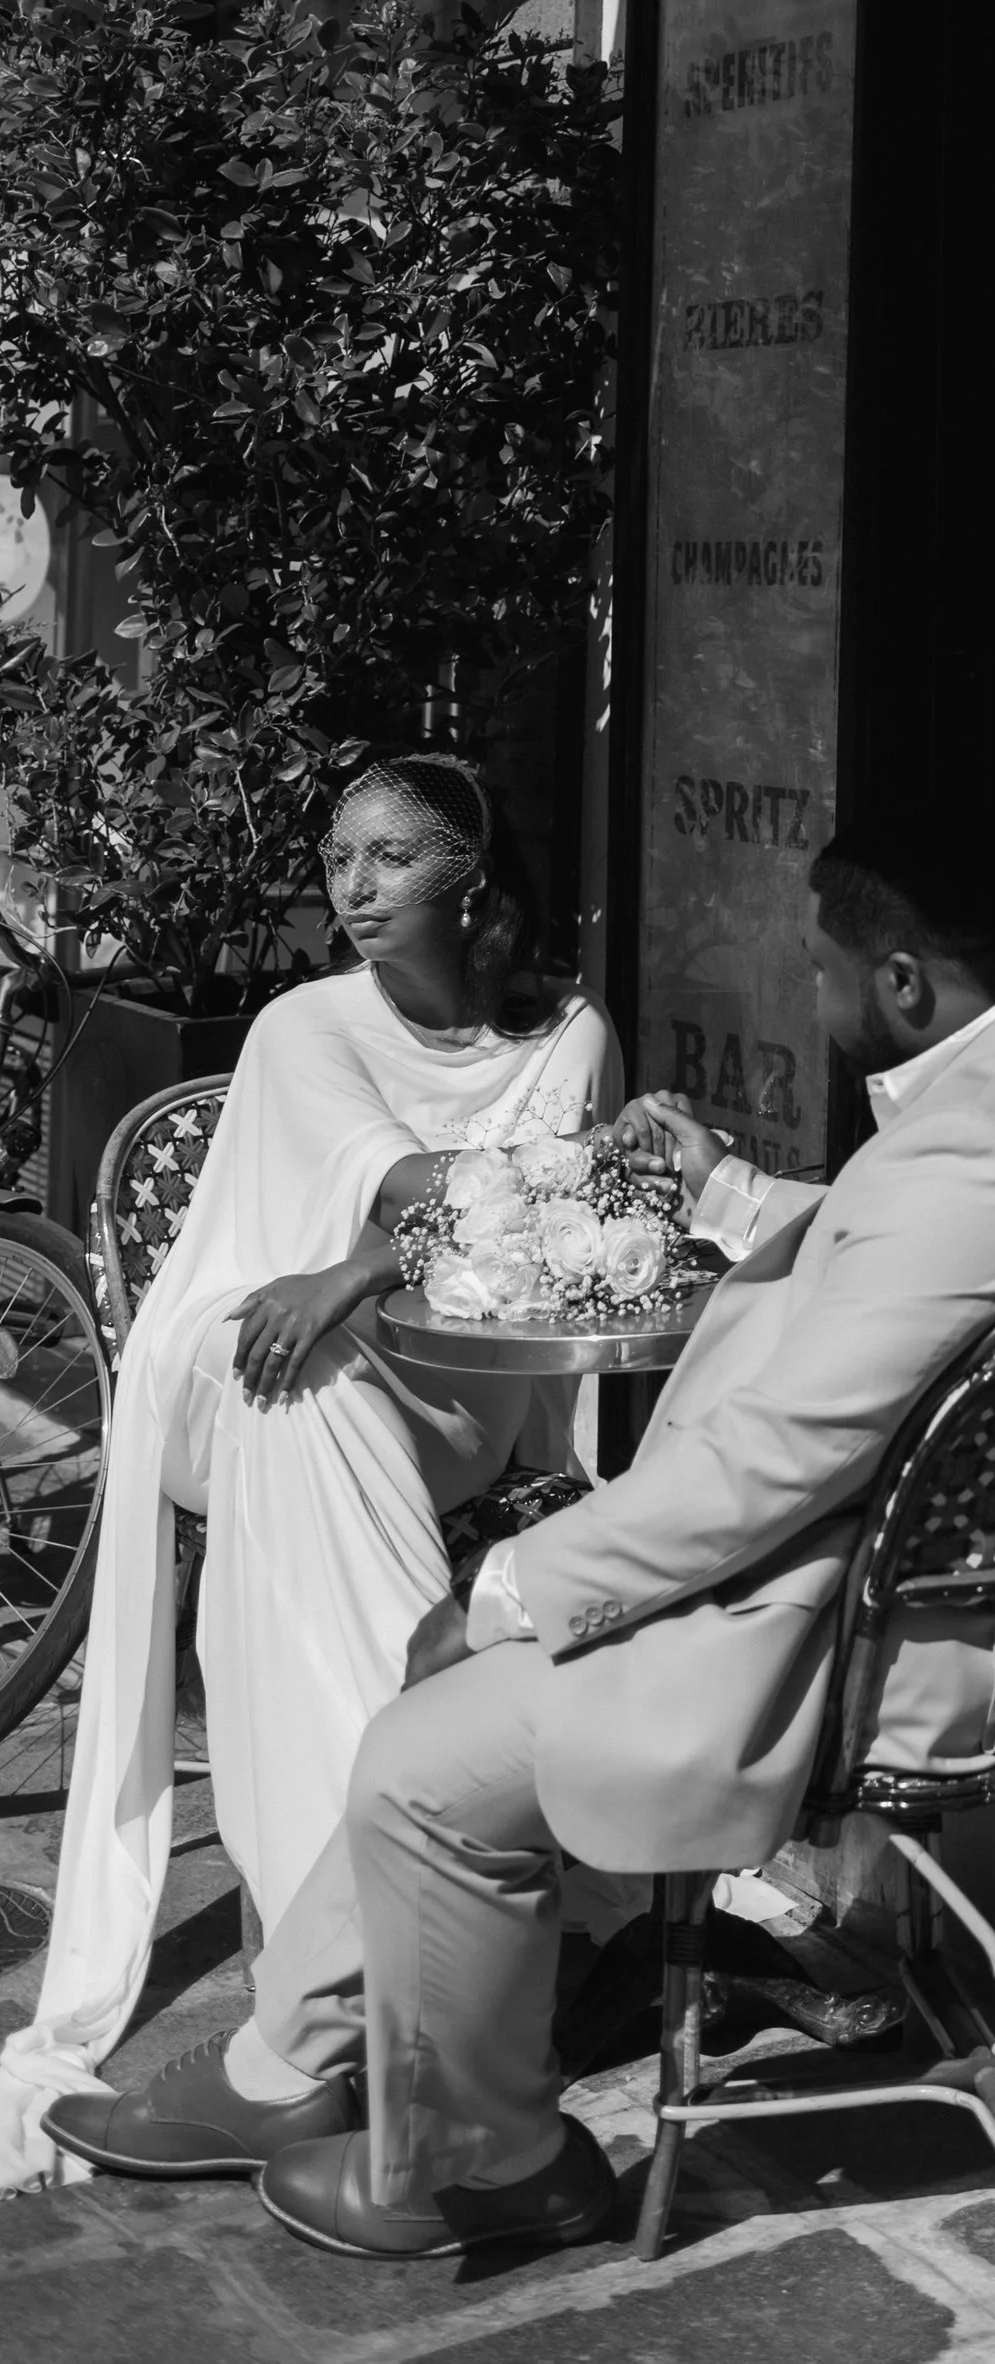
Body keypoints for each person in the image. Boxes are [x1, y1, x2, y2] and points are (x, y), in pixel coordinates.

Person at [50, 813, 995, 2256]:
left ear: (905, 982)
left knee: (427, 1753)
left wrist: (515, 1587)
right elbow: (913, 1262)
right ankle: (280, 2071)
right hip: (990, 1597)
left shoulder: (975, 1151)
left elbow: (772, 1466)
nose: (814, 995)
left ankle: (487, 2163)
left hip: (877, 1645)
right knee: (448, 1704)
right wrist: (729, 1194)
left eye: (825, 967)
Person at [0, 756, 621, 2190]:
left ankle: (319, 2012)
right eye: (338, 855)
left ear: (475, 881)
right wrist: (348, 1283)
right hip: (230, 1377)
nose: (350, 887)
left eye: (392, 857)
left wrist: (343, 1275)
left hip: (457, 1395)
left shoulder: (567, 1032)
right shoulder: (299, 1026)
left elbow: (539, 1212)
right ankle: (393, 1967)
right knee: (296, 1395)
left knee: (315, 1400)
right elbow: (436, 1192)